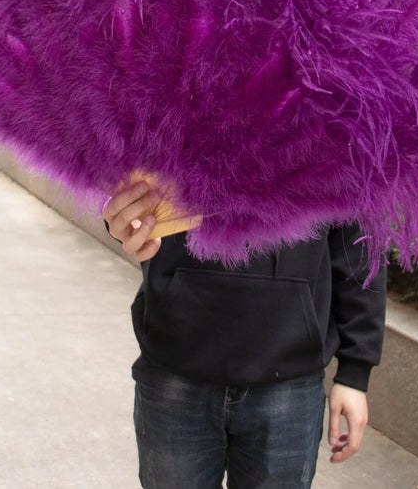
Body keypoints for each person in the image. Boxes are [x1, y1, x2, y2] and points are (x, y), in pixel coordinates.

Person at [103, 175, 387, 489]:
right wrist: (120, 219)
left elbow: (359, 244)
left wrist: (355, 371)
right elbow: (123, 170)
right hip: (175, 361)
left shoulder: (333, 128)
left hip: (289, 375)